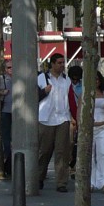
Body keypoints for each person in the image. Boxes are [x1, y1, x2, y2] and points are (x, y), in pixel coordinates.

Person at [35, 53, 76, 193]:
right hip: (45, 119)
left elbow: (71, 99)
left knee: (62, 152)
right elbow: (32, 97)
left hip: (62, 119)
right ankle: (39, 177)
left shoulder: (66, 80)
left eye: (62, 63)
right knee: (44, 152)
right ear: (52, 64)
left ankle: (61, 182)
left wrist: (74, 116)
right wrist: (44, 92)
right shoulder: (42, 78)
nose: (61, 65)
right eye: (59, 63)